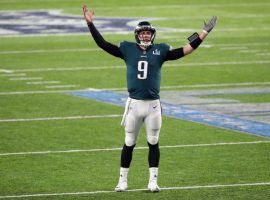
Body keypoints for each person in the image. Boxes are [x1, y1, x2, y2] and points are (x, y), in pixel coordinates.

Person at [82, 4, 217, 192]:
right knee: (129, 143)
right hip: (134, 104)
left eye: (148, 33)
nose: (145, 35)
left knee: (153, 142)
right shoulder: (127, 49)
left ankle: (153, 181)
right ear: (137, 35)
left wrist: (203, 33)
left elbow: (184, 50)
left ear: (152, 35)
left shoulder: (160, 51)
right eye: (142, 33)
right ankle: (122, 181)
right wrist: (90, 25)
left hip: (153, 105)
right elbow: (103, 44)